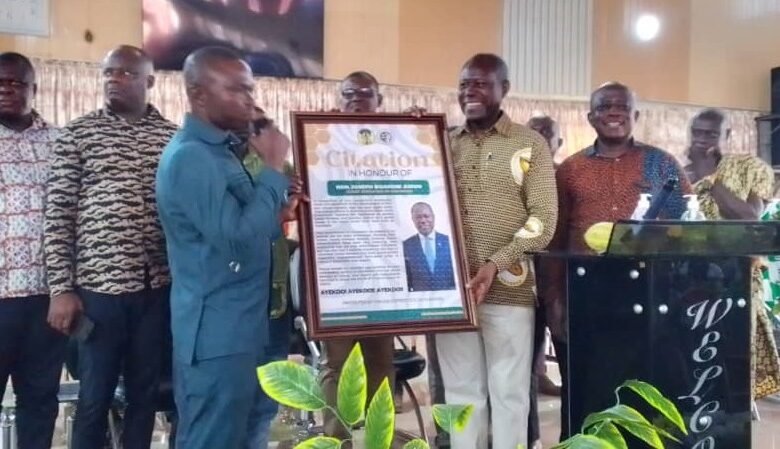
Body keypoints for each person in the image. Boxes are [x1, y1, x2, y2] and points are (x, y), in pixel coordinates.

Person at [155, 46, 302, 449]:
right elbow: (234, 237)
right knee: (212, 439)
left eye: (251, 89)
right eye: (237, 90)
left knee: (245, 433)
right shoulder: (191, 157)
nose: (250, 100)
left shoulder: (221, 151)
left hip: (248, 324)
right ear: (198, 94)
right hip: (218, 335)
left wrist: (279, 209)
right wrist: (272, 169)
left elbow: (244, 229)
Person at [45, 45, 177, 449]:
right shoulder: (78, 134)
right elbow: (58, 213)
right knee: (93, 398)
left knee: (145, 395)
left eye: (125, 73)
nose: (113, 80)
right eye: (108, 73)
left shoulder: (172, 139)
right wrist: (61, 288)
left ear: (149, 81)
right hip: (98, 291)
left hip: (156, 290)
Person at [544, 82, 691, 440]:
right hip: (585, 293)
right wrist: (554, 301)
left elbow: (688, 225)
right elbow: (555, 238)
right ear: (590, 116)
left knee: (643, 388)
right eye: (605, 106)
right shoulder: (570, 170)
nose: (614, 112)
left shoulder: (662, 165)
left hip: (647, 294)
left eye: (622, 107)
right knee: (584, 388)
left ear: (636, 116)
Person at [436, 53, 558, 449]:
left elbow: (544, 220)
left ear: (503, 90)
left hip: (509, 289)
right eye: (464, 84)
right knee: (460, 394)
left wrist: (496, 263)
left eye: (481, 83)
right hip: (450, 293)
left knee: (509, 396)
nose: (470, 91)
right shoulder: (441, 143)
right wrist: (412, 133)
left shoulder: (529, 144)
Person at [320, 70, 396, 439]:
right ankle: (336, 442)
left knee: (381, 367)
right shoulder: (320, 144)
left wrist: (416, 129)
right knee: (337, 367)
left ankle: (378, 442)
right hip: (337, 279)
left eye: (365, 94)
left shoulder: (398, 146)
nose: (356, 100)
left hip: (383, 282)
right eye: (349, 94)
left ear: (379, 101)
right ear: (339, 99)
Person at [686, 107, 780, 399]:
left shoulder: (751, 167)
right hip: (687, 280)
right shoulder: (679, 170)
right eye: (697, 133)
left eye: (711, 133)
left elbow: (749, 217)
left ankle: (734, 413)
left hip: (736, 278)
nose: (702, 140)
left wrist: (710, 179)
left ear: (728, 134)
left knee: (733, 355)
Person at [0, 51, 65, 449]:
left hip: (48, 299)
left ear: (34, 89)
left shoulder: (61, 143)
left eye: (16, 83)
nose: (7, 90)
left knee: (40, 401)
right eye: (0, 83)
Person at [525, 114, 563, 449]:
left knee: (573, 360)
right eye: (531, 133)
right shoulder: (513, 176)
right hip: (522, 286)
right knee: (522, 367)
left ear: (557, 143)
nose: (538, 139)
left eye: (546, 135)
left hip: (563, 286)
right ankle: (531, 438)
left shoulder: (566, 177)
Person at [402, 202, 456, 292]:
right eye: (418, 217)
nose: (423, 220)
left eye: (426, 216)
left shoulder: (448, 241)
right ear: (413, 220)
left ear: (433, 217)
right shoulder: (406, 246)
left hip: (448, 298)